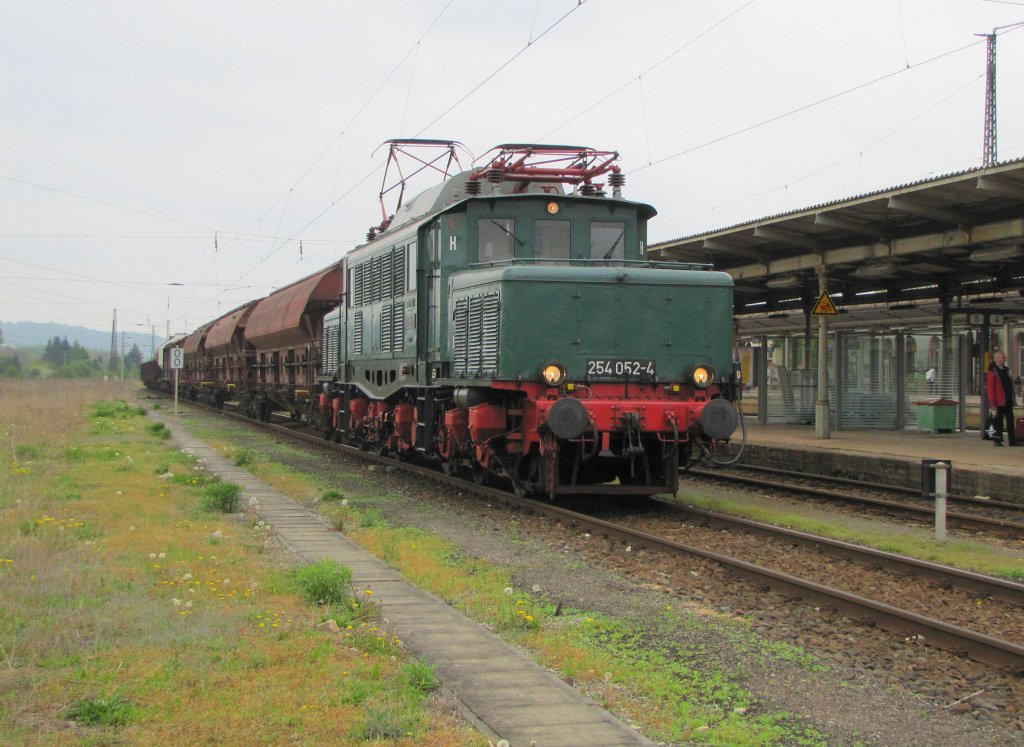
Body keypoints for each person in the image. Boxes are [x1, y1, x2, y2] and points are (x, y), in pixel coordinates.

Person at [986, 351, 1017, 447]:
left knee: (1011, 420)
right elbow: (990, 388)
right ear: (997, 358)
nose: (1004, 359)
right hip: (998, 401)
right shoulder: (992, 371)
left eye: (1004, 357)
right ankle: (997, 440)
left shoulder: (1006, 370)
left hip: (1008, 400)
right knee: (998, 421)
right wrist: (992, 403)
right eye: (1002, 357)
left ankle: (1012, 440)